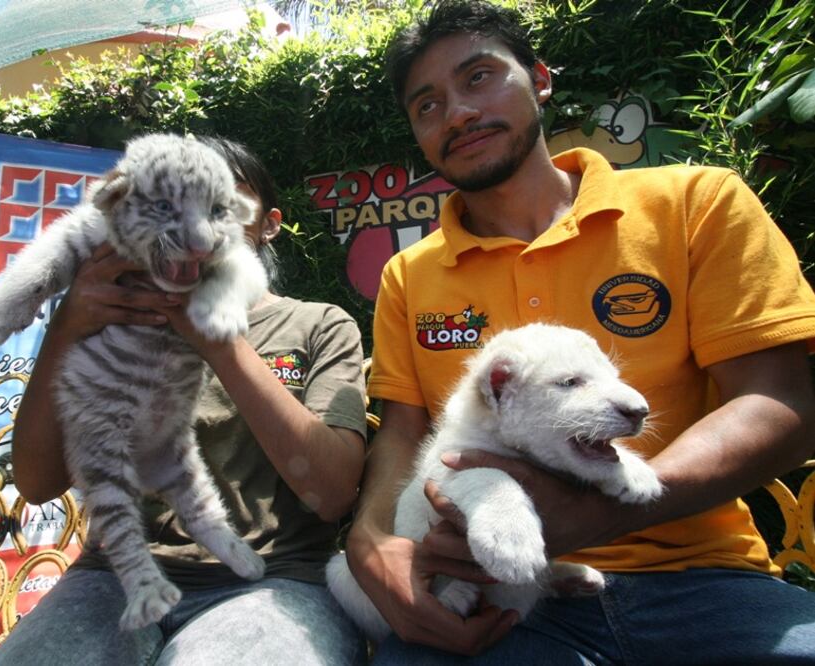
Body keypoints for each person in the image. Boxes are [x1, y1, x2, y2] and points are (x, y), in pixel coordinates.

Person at [346, 1, 815, 663]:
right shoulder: (407, 275)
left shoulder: (696, 202)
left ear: (539, 78)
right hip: (493, 592)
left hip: (702, 574)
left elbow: (780, 403)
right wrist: (371, 546)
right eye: (426, 105)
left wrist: (595, 516)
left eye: (478, 77)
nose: (455, 113)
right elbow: (400, 433)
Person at [0, 136, 368, 665]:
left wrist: (218, 338)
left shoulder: (317, 325)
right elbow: (36, 482)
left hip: (274, 581)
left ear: (265, 223)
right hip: (111, 577)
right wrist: (67, 323)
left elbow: (332, 494)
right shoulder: (110, 319)